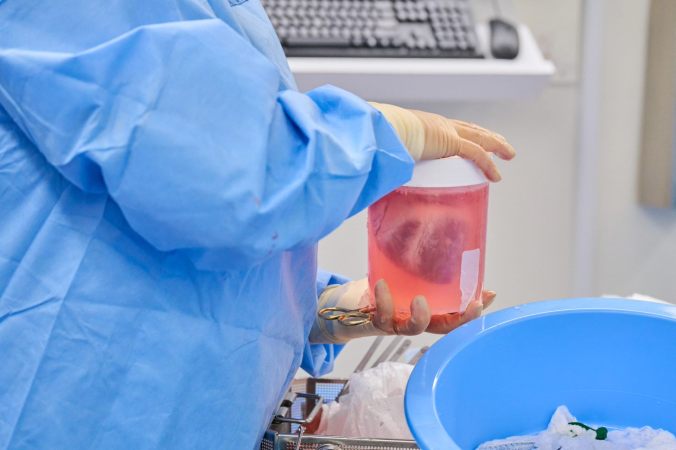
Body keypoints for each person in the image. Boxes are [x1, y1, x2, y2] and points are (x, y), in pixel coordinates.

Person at [0, 0, 515, 448]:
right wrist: (385, 132)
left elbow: (160, 249)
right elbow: (230, 181)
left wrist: (329, 309)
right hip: (77, 410)